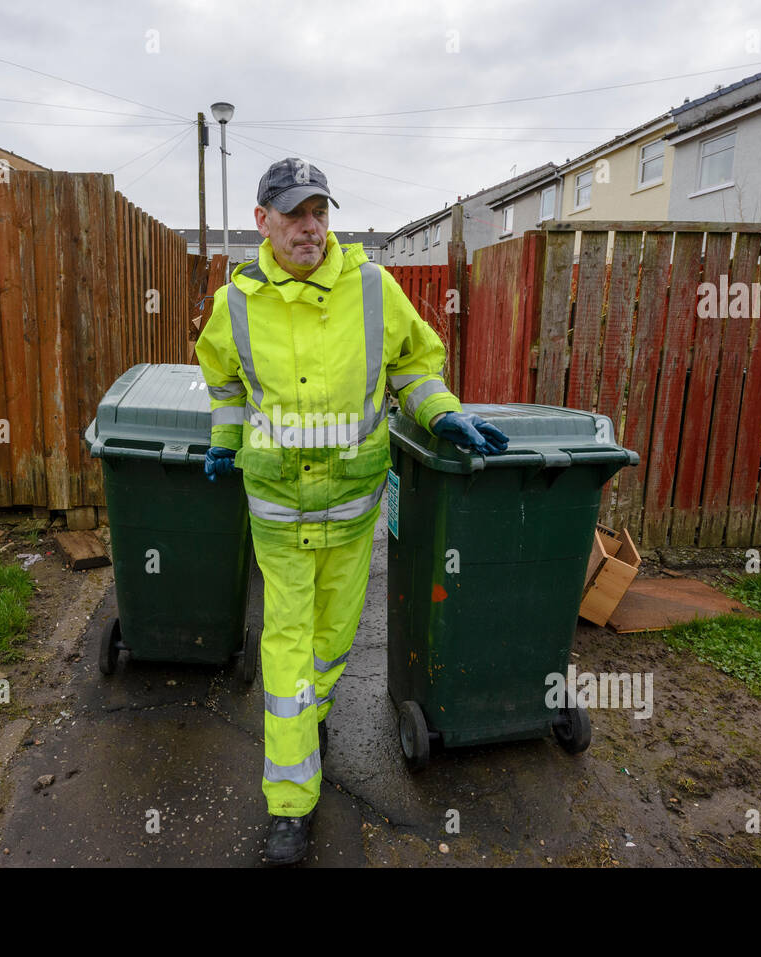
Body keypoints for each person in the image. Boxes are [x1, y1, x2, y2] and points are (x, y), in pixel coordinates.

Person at [194, 158, 508, 865]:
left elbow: (413, 367)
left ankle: (311, 716)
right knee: (286, 645)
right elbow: (222, 381)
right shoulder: (235, 303)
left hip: (353, 505)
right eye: (294, 213)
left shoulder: (373, 287)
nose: (310, 226)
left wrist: (443, 412)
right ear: (262, 220)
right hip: (278, 510)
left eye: (319, 212)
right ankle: (290, 804)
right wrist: (222, 439)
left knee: (332, 641)